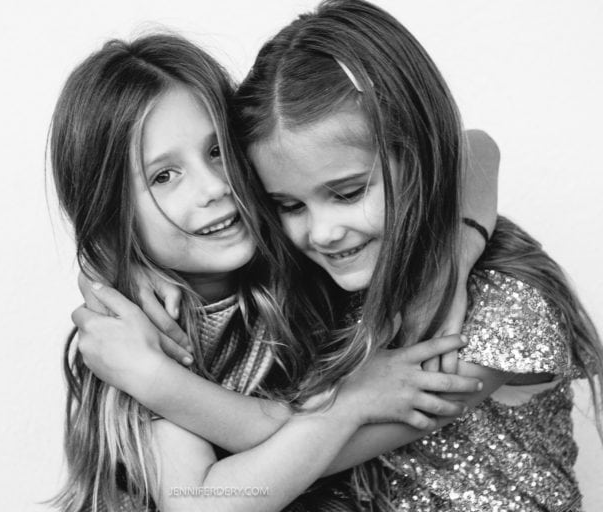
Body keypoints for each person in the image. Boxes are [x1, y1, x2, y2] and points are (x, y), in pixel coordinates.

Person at [77, 1, 603, 510]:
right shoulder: (307, 282)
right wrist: (112, 266)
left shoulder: (497, 308)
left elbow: (470, 146)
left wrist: (153, 378)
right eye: (289, 205)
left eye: (348, 193)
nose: (324, 232)